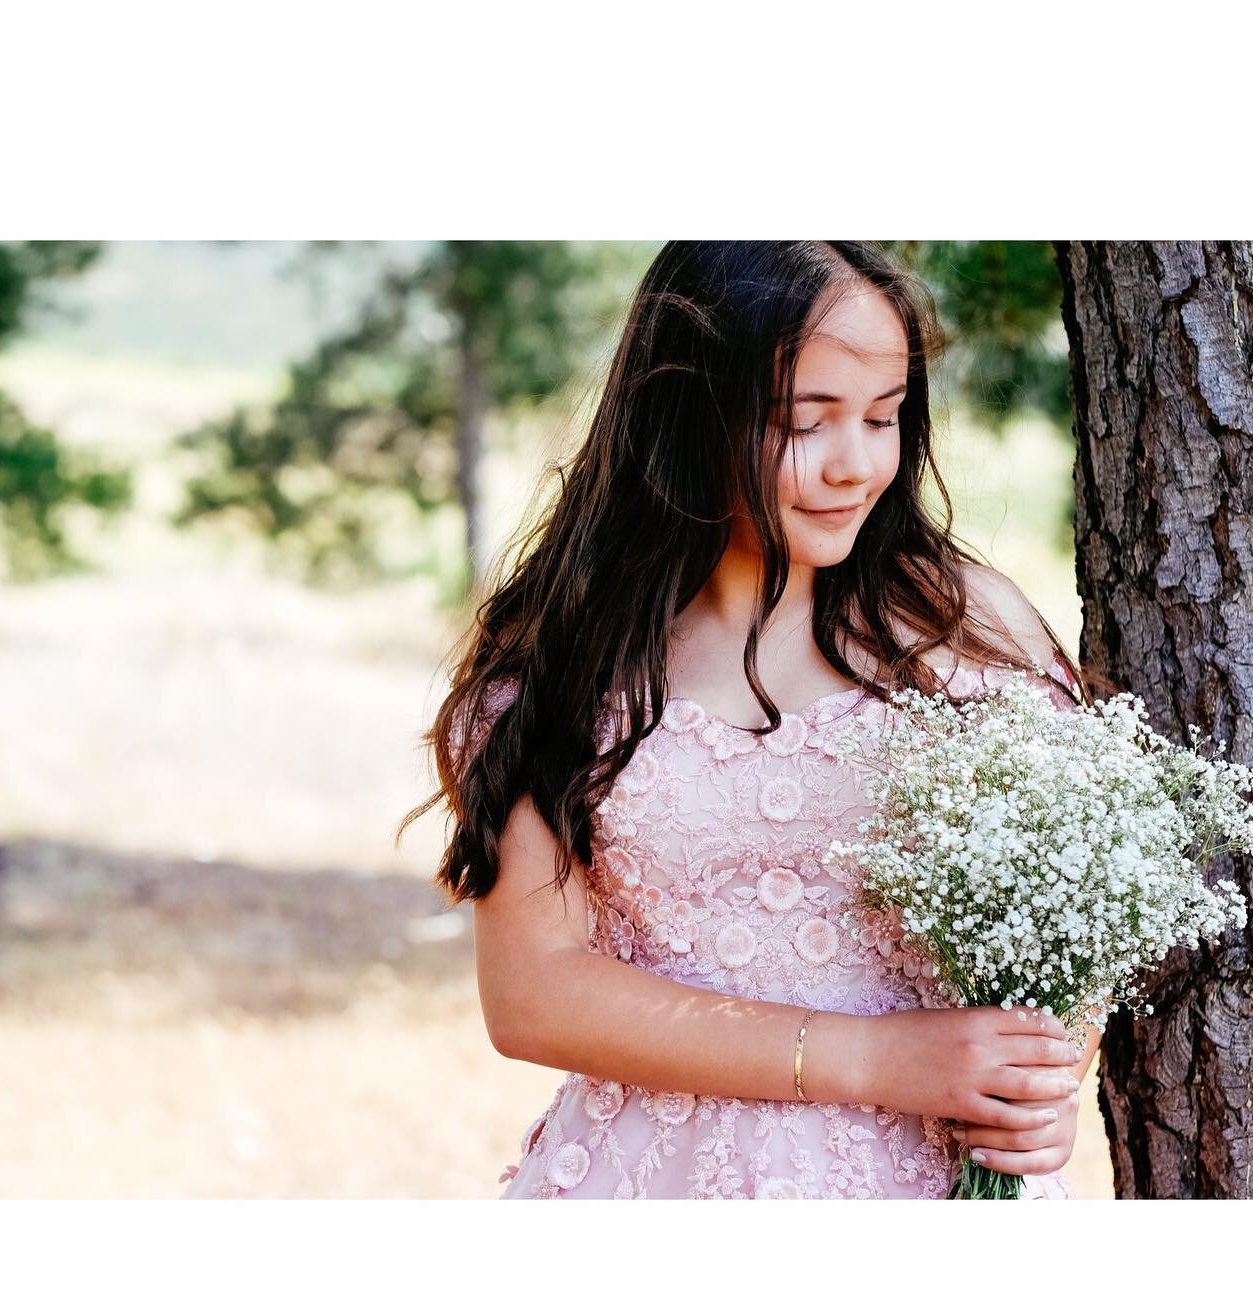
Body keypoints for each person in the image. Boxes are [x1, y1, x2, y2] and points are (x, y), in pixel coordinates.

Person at [404, 241, 1100, 1199]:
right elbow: (531, 996)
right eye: (805, 424)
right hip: (656, 1178)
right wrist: (872, 1060)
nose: (857, 466)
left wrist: (1038, 1077)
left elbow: (1091, 904)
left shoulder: (965, 629)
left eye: (884, 418)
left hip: (930, 1179)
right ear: (691, 414)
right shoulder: (564, 669)